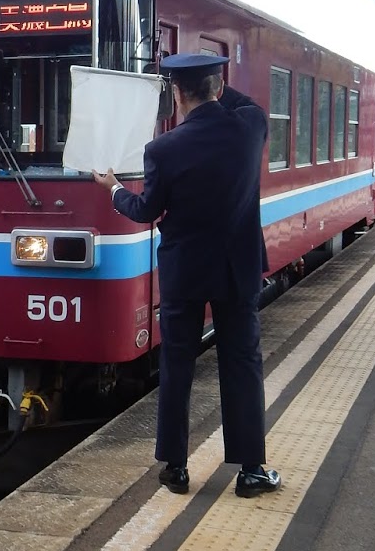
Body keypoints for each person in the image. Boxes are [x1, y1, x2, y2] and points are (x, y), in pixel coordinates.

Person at [93, 51, 281, 499]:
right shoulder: (249, 127)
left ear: (176, 95)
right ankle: (251, 471)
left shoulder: (163, 149)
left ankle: (175, 468)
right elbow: (243, 102)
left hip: (184, 272)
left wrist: (113, 188)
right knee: (242, 363)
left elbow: (145, 210)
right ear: (219, 87)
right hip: (237, 269)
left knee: (177, 365)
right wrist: (213, 85)